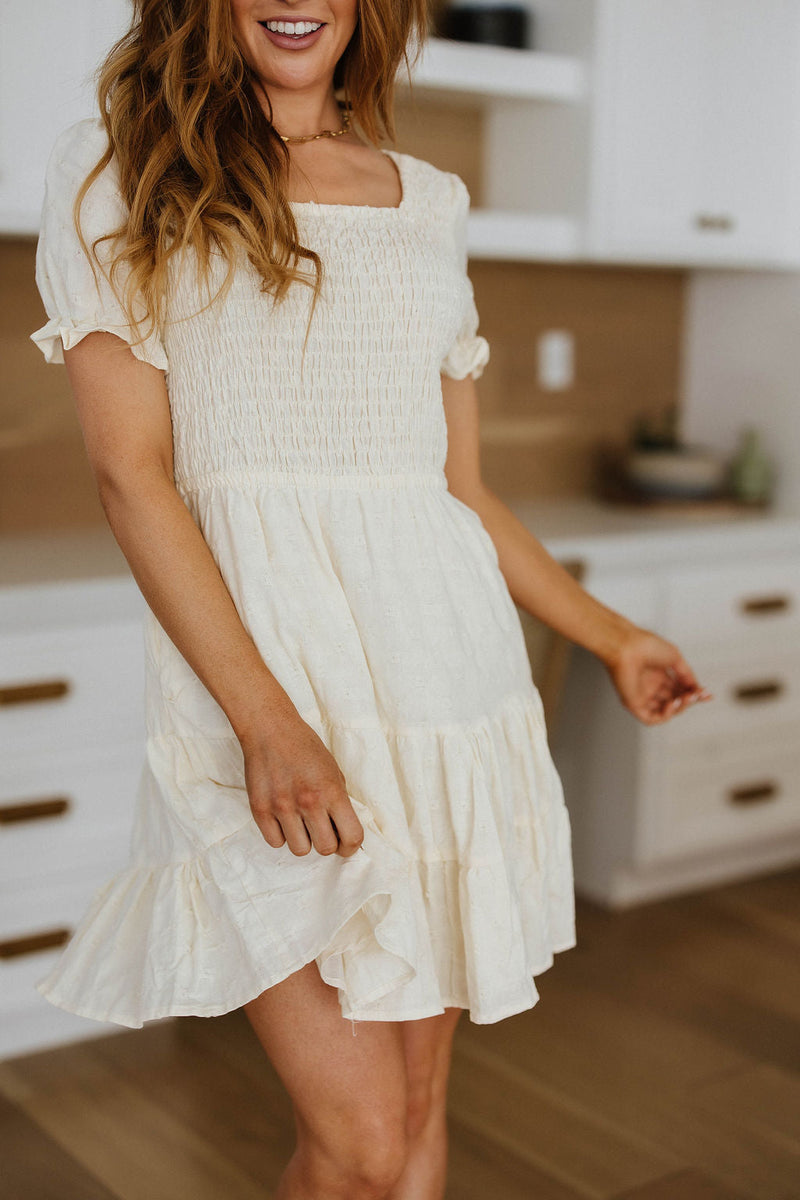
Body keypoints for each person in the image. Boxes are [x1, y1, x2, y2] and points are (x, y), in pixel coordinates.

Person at [29, 2, 711, 1197]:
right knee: (354, 1146)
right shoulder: (119, 173)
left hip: (448, 691)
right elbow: (129, 477)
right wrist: (267, 724)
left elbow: (456, 493)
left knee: (411, 1111)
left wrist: (611, 635)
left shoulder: (430, 201)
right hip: (266, 702)